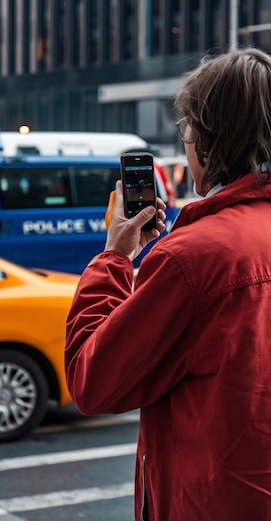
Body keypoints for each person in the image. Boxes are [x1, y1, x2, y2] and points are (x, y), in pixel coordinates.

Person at [65, 47, 271, 521]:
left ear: (208, 138)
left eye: (187, 128)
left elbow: (93, 382)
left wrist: (115, 257)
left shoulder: (193, 257)